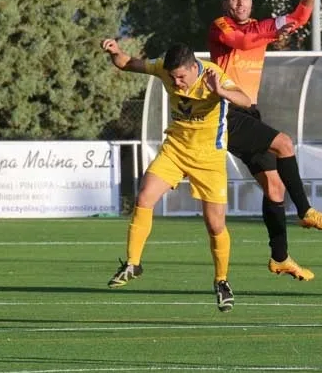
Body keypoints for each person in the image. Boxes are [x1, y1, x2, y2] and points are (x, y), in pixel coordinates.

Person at [101, 40, 252, 312]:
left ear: (195, 67)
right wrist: (115, 52)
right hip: (175, 150)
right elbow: (128, 63)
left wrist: (221, 92)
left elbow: (246, 100)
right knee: (145, 197)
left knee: (215, 225)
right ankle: (133, 263)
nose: (177, 82)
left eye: (181, 77)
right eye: (173, 78)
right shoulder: (164, 69)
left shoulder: (213, 76)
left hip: (209, 159)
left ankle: (221, 281)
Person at [208, 0, 322, 282]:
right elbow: (241, 41)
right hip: (226, 112)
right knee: (284, 143)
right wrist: (275, 25)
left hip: (248, 113)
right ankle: (306, 210)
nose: (240, 2)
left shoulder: (258, 26)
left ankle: (280, 258)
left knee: (275, 187)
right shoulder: (221, 26)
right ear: (226, 4)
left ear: (252, 1)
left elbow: (300, 18)